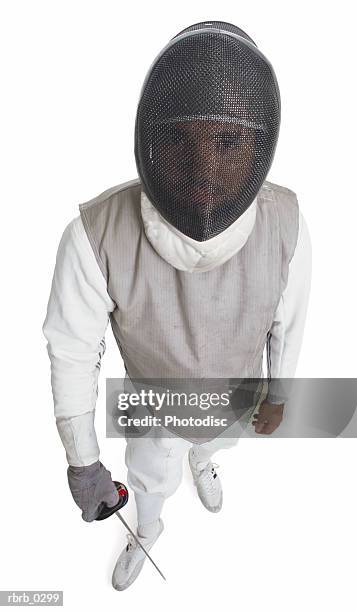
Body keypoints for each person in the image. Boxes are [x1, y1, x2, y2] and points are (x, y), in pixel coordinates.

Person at [42, 20, 312, 591]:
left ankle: (203, 460)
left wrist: (281, 389)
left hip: (232, 396)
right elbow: (72, 348)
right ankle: (148, 525)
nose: (205, 166)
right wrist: (83, 459)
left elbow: (288, 321)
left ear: (258, 147)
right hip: (152, 404)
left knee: (215, 437)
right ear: (152, 141)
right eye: (181, 139)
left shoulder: (285, 222)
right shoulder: (96, 233)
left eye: (229, 142)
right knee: (148, 480)